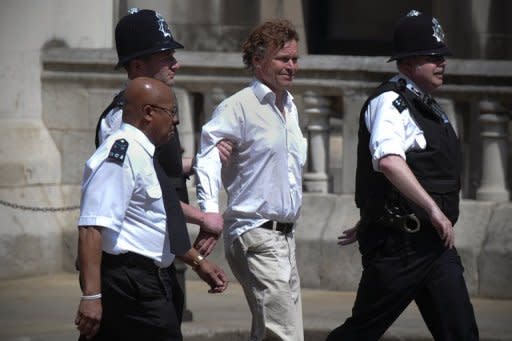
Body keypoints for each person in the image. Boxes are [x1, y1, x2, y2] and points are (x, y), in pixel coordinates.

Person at [327, 10, 479, 340]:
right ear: (408, 63)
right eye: (433, 57)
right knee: (361, 332)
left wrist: (377, 207)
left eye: (443, 57)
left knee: (461, 333)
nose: (442, 63)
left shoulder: (427, 105)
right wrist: (433, 210)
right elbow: (389, 162)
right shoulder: (390, 102)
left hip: (435, 245)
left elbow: (413, 172)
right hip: (401, 247)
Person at [74, 77, 228, 341]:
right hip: (131, 284)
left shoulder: (143, 153)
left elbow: (150, 223)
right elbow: (91, 226)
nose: (177, 121)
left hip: (146, 281)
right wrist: (91, 296)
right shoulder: (120, 153)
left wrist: (198, 262)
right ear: (148, 113)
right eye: (171, 112)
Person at [194, 19, 307, 341]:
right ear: (258, 60)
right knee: (285, 335)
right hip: (255, 233)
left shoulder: (290, 107)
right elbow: (207, 157)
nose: (291, 66)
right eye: (283, 59)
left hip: (285, 238)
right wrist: (210, 211)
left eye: (295, 59)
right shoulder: (238, 106)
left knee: (271, 331)